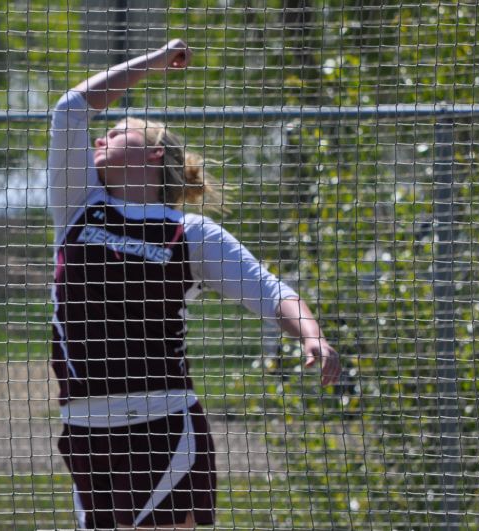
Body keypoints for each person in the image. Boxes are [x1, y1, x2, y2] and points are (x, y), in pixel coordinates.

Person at [47, 39, 341, 530]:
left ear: (153, 152)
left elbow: (271, 292)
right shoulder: (77, 202)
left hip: (160, 425)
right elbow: (70, 109)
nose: (100, 138)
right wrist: (155, 61)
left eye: (117, 131)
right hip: (86, 426)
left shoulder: (191, 233)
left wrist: (311, 335)